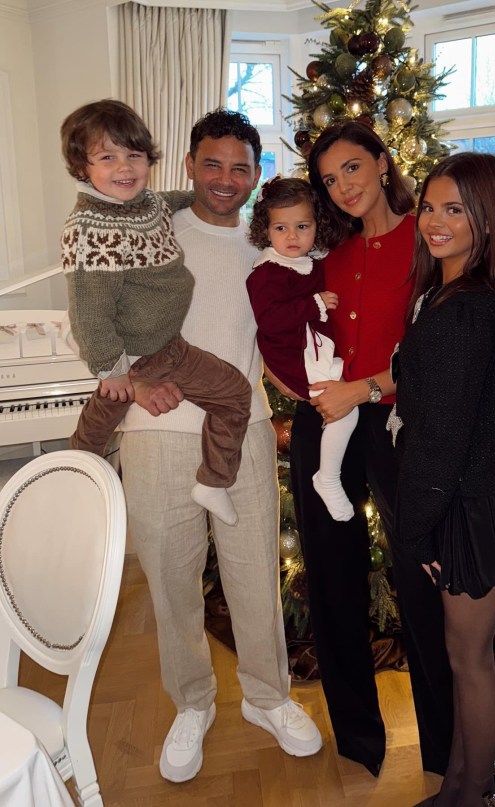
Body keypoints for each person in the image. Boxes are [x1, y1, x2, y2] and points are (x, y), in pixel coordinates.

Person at [115, 108, 322, 783]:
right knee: (172, 580)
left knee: (255, 572)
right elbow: (101, 310)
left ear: (256, 175)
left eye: (240, 167)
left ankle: (268, 696)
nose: (226, 178)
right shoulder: (154, 232)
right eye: (213, 163)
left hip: (246, 430)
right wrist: (133, 380)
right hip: (155, 433)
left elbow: (293, 336)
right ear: (189, 165)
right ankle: (192, 703)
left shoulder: (271, 246)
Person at [276, 121, 454, 779]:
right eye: (329, 178)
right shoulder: (327, 254)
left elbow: (438, 349)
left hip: (396, 421)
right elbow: (281, 322)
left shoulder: (426, 240)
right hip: (324, 419)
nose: (342, 186)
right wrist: (292, 380)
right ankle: (357, 739)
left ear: (382, 162)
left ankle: (451, 751)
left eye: (352, 167)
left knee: (422, 577)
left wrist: (366, 386)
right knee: (330, 575)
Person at [392, 152, 495, 807]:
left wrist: (418, 532)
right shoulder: (455, 294)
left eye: (455, 209)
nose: (435, 221)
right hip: (474, 499)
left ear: (486, 219)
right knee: (467, 659)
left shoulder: (461, 311)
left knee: (468, 662)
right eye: (429, 206)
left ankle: (471, 793)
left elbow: (441, 440)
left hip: (468, 508)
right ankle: (463, 787)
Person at [60, 99, 250, 526]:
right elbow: (88, 313)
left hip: (168, 346)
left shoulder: (147, 205)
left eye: (134, 155)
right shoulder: (91, 228)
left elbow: (170, 200)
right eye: (107, 158)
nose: (124, 168)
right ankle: (75, 484)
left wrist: (201, 197)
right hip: (136, 356)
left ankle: (212, 482)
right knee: (96, 430)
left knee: (234, 395)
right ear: (81, 167)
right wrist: (116, 373)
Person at [246, 176, 358, 521]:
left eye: (302, 226)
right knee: (345, 409)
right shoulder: (266, 273)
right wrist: (314, 303)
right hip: (293, 357)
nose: (292, 236)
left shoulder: (312, 263)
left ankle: (329, 471)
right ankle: (328, 477)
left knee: (342, 409)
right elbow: (269, 320)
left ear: (316, 226)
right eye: (281, 228)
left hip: (313, 350)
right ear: (266, 230)